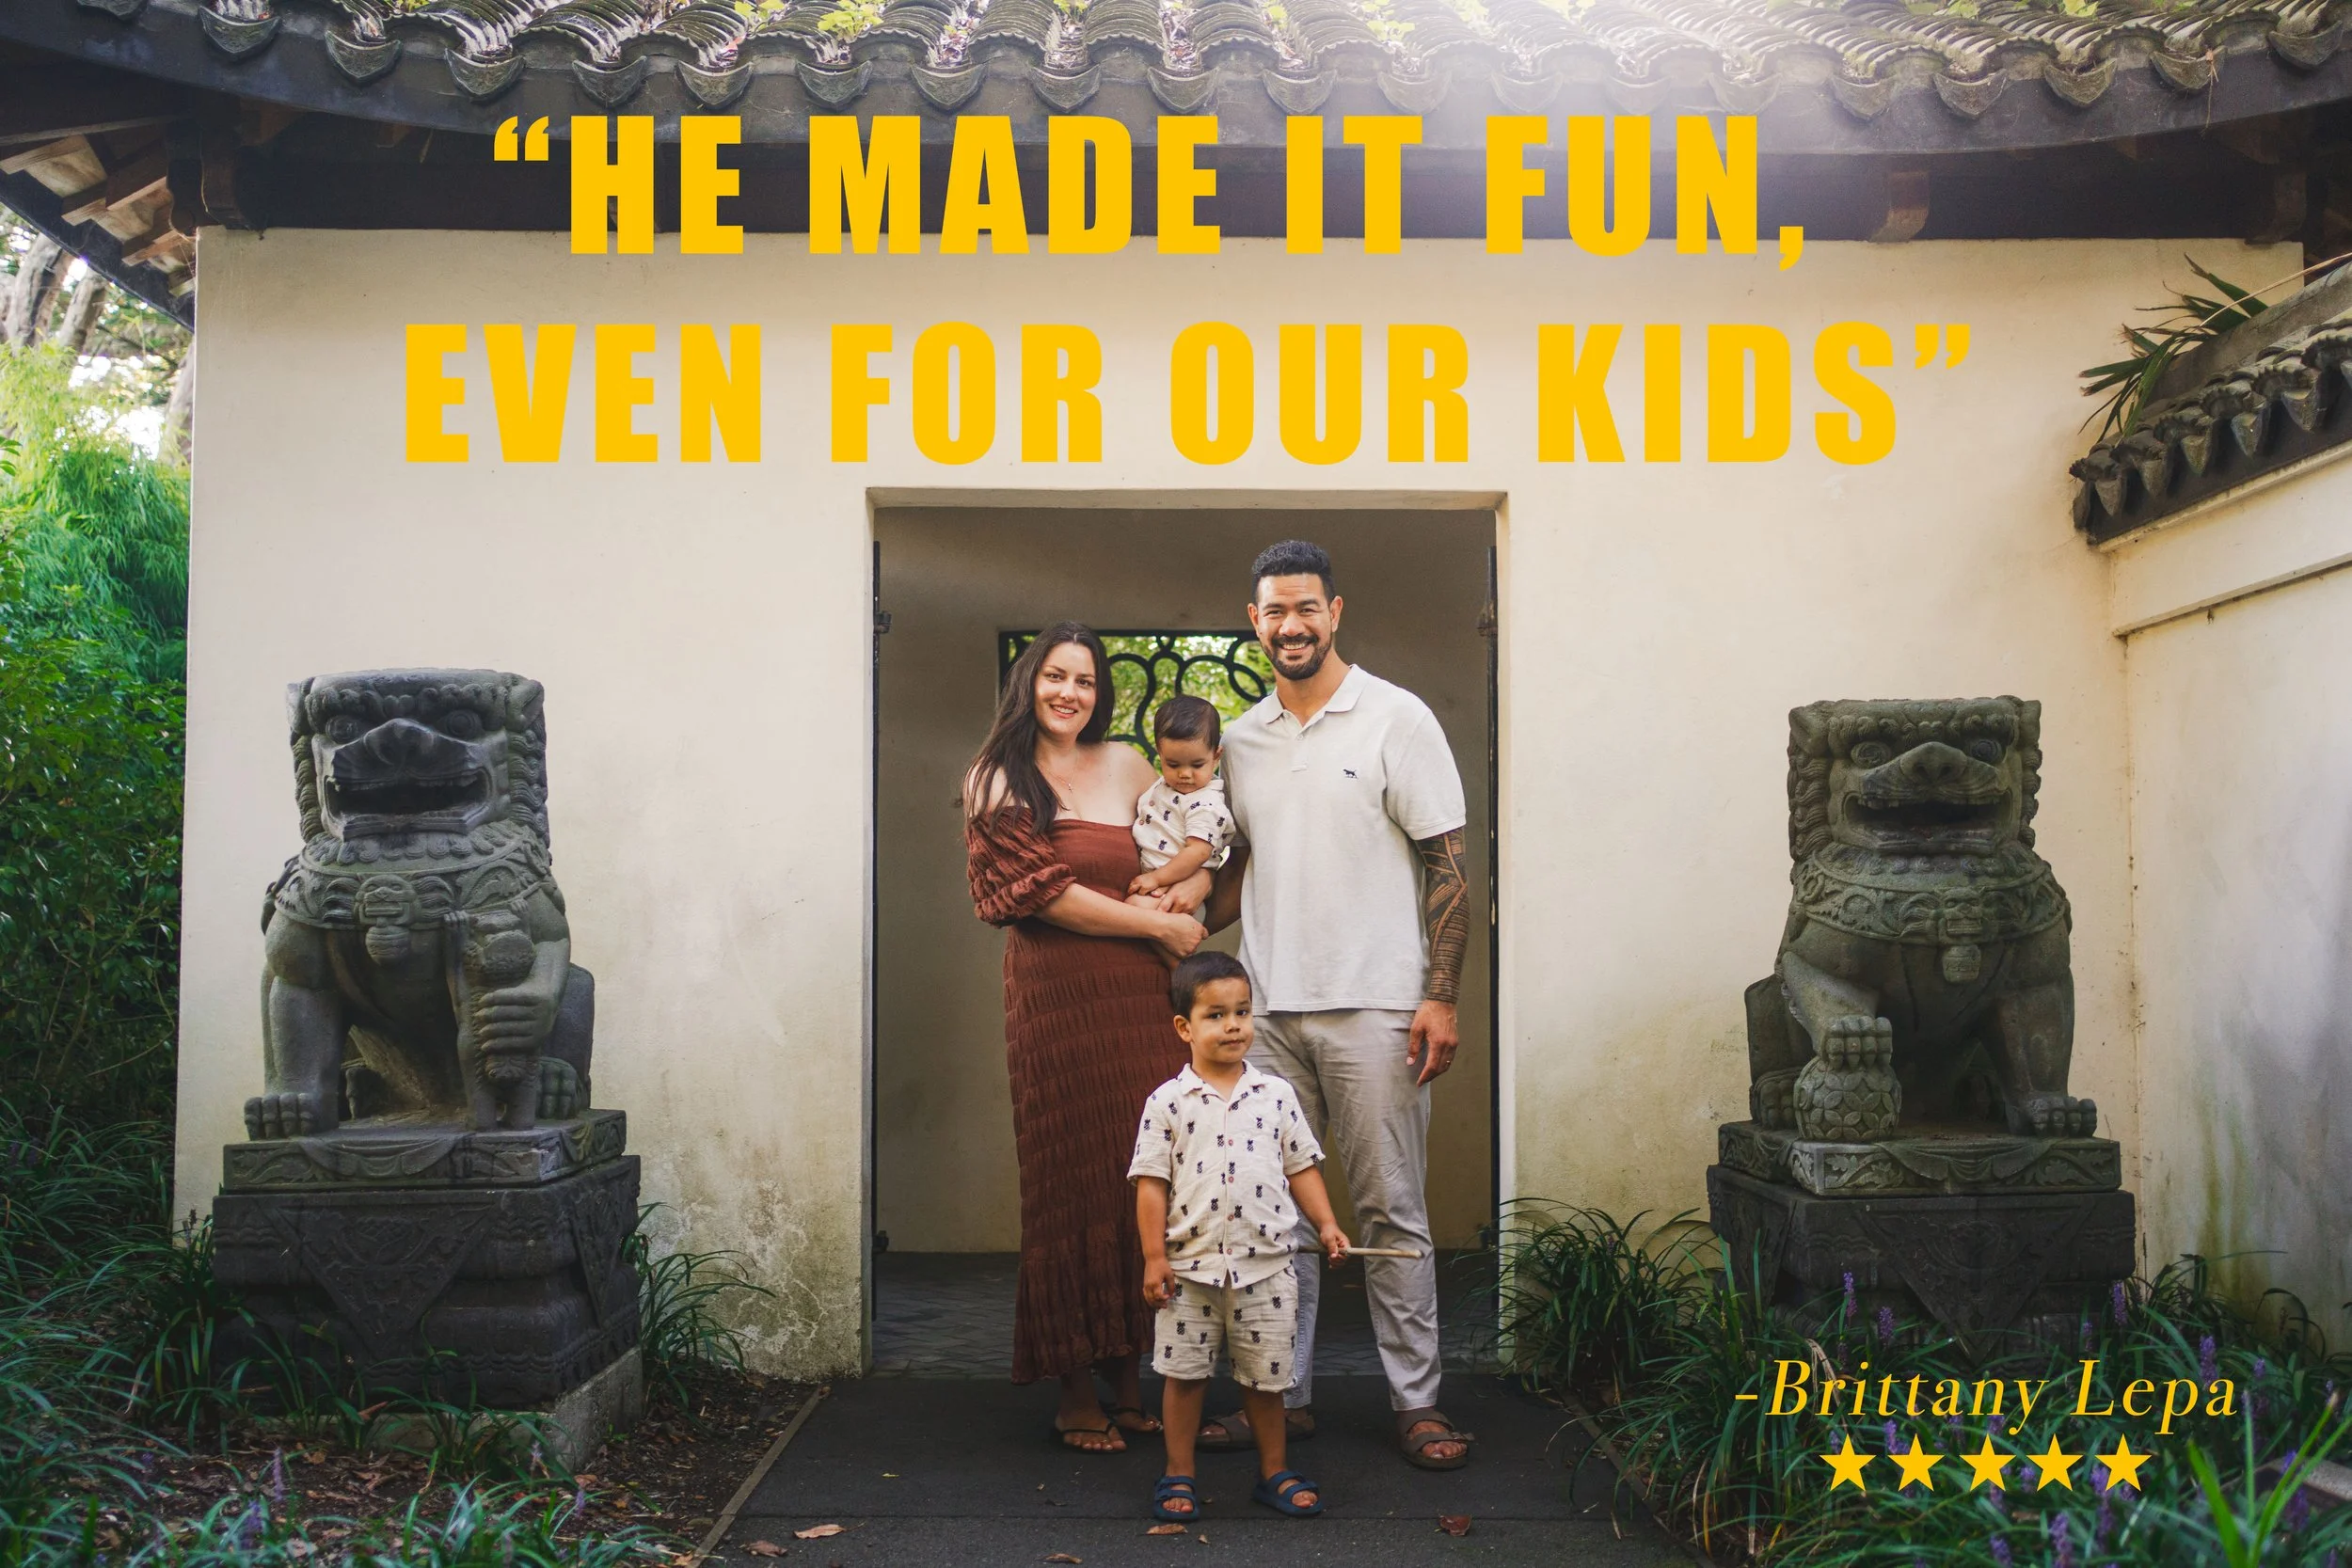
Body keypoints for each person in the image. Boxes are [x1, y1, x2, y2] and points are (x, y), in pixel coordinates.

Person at [1200, 540, 1479, 1471]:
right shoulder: (1239, 740)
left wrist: (1440, 997)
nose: (1292, 625)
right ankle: (1281, 1397)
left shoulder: (1397, 718)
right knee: (1272, 1216)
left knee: (1389, 1210)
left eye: (1306, 608)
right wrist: (1159, 916)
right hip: (1267, 1016)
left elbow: (1448, 868)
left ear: (1335, 611)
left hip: (1376, 1005)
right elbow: (1241, 869)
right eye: (1275, 611)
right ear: (1255, 621)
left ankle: (1417, 1402)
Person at [962, 623, 1208, 1452]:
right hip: (1058, 1004)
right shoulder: (995, 775)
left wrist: (1187, 894)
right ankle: (1074, 1390)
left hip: (1141, 1001)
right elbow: (1038, 892)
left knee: (1143, 1177)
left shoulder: (1133, 765)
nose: (1070, 693)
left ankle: (1128, 1381)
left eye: (1086, 681)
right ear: (1028, 680)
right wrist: (1156, 925)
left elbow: (1197, 841)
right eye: (1056, 676)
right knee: (1069, 1181)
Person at [1131, 951, 1350, 1522]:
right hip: (1189, 1271)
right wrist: (1154, 1257)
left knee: (1265, 1380)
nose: (1233, 1026)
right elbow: (1151, 1184)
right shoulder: (1166, 1103)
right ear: (1184, 1027)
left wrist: (1327, 1223)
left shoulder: (1276, 1095)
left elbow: (1302, 1167)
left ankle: (1274, 1472)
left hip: (1266, 1270)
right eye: (1216, 1015)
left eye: (1243, 1012)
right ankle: (1178, 1473)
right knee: (1183, 1377)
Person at [1125, 695, 1238, 911]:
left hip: (1178, 890)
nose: (1185, 774)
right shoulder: (1164, 787)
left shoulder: (1206, 804)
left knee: (1134, 908)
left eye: (1197, 765)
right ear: (1160, 754)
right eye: (1173, 764)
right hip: (1157, 884)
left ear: (1216, 756)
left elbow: (1198, 852)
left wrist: (1156, 878)